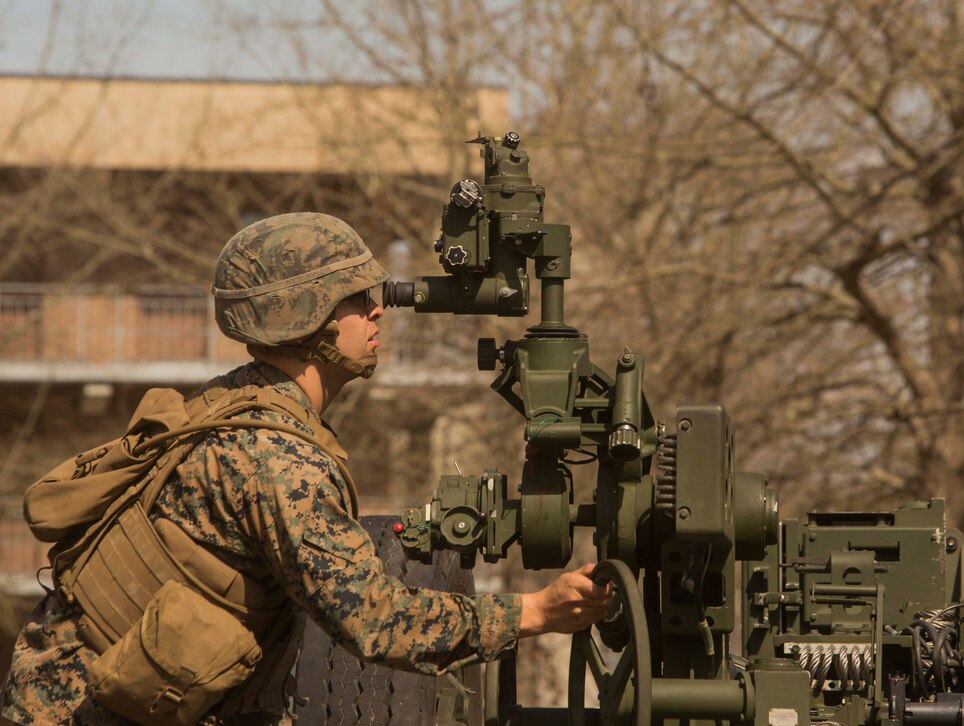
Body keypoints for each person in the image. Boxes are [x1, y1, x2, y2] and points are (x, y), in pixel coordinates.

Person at [0, 213, 611, 725]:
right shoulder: (280, 461)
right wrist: (534, 613)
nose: (376, 312)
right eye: (355, 300)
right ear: (305, 315)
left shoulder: (230, 401)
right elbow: (372, 620)